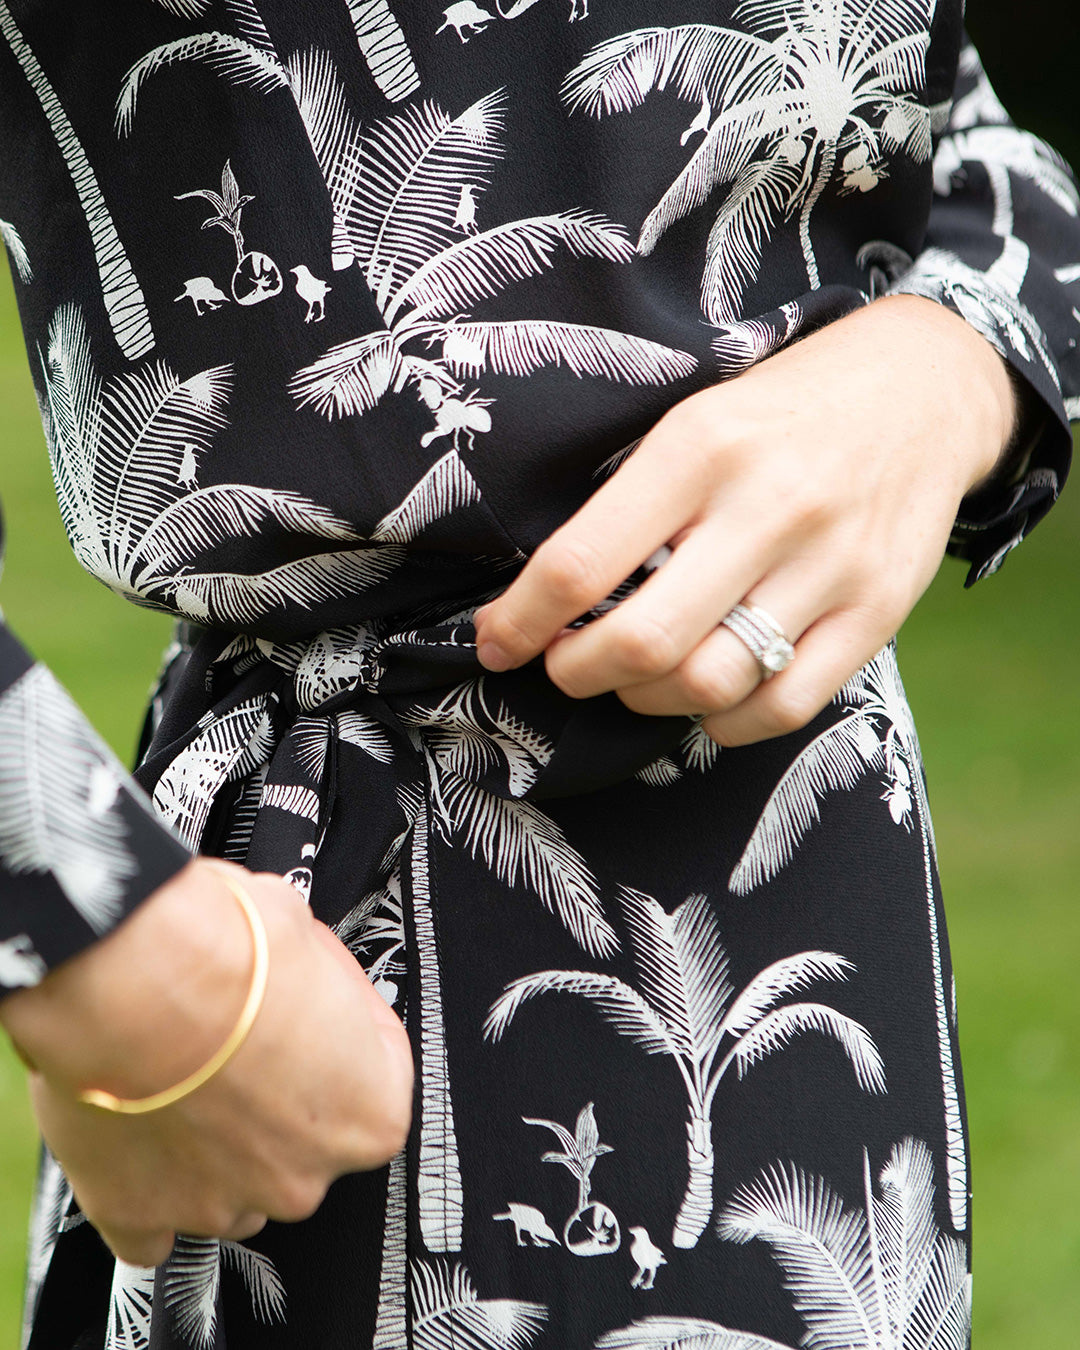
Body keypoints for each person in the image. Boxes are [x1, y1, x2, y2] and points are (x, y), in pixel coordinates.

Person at [0, 1, 1077, 1346]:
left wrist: (951, 362)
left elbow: (946, 124)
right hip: (316, 971)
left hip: (828, 936)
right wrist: (106, 941)